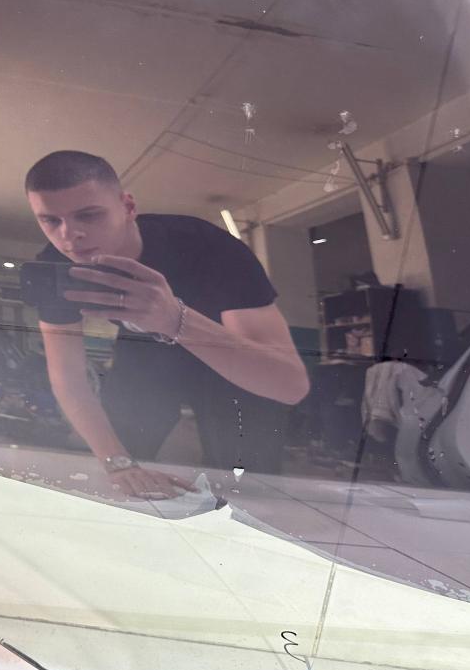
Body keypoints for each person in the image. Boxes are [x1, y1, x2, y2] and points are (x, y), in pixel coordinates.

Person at [25, 150, 309, 499]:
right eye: (50, 220)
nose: (70, 236)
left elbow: (290, 385)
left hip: (224, 349)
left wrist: (175, 320)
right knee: (120, 451)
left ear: (128, 207)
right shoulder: (56, 265)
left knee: (246, 475)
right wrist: (118, 463)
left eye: (89, 214)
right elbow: (67, 377)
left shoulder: (208, 247)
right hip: (145, 347)